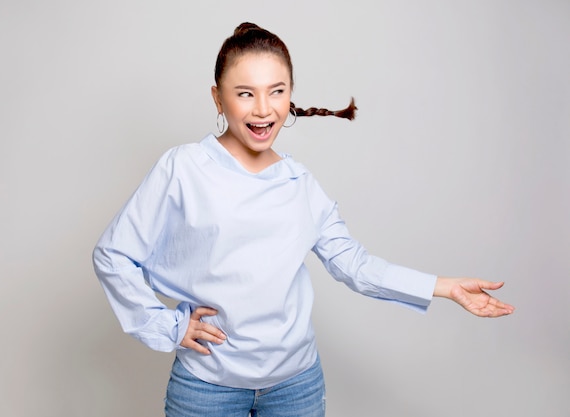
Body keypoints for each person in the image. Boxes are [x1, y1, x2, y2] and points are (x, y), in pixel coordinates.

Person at [92, 22, 515, 417]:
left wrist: (444, 288)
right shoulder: (183, 168)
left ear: (290, 93)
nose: (263, 109)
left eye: (276, 91)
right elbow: (113, 255)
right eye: (244, 93)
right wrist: (167, 326)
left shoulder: (300, 183)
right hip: (208, 387)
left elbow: (355, 265)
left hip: (296, 387)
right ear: (218, 98)